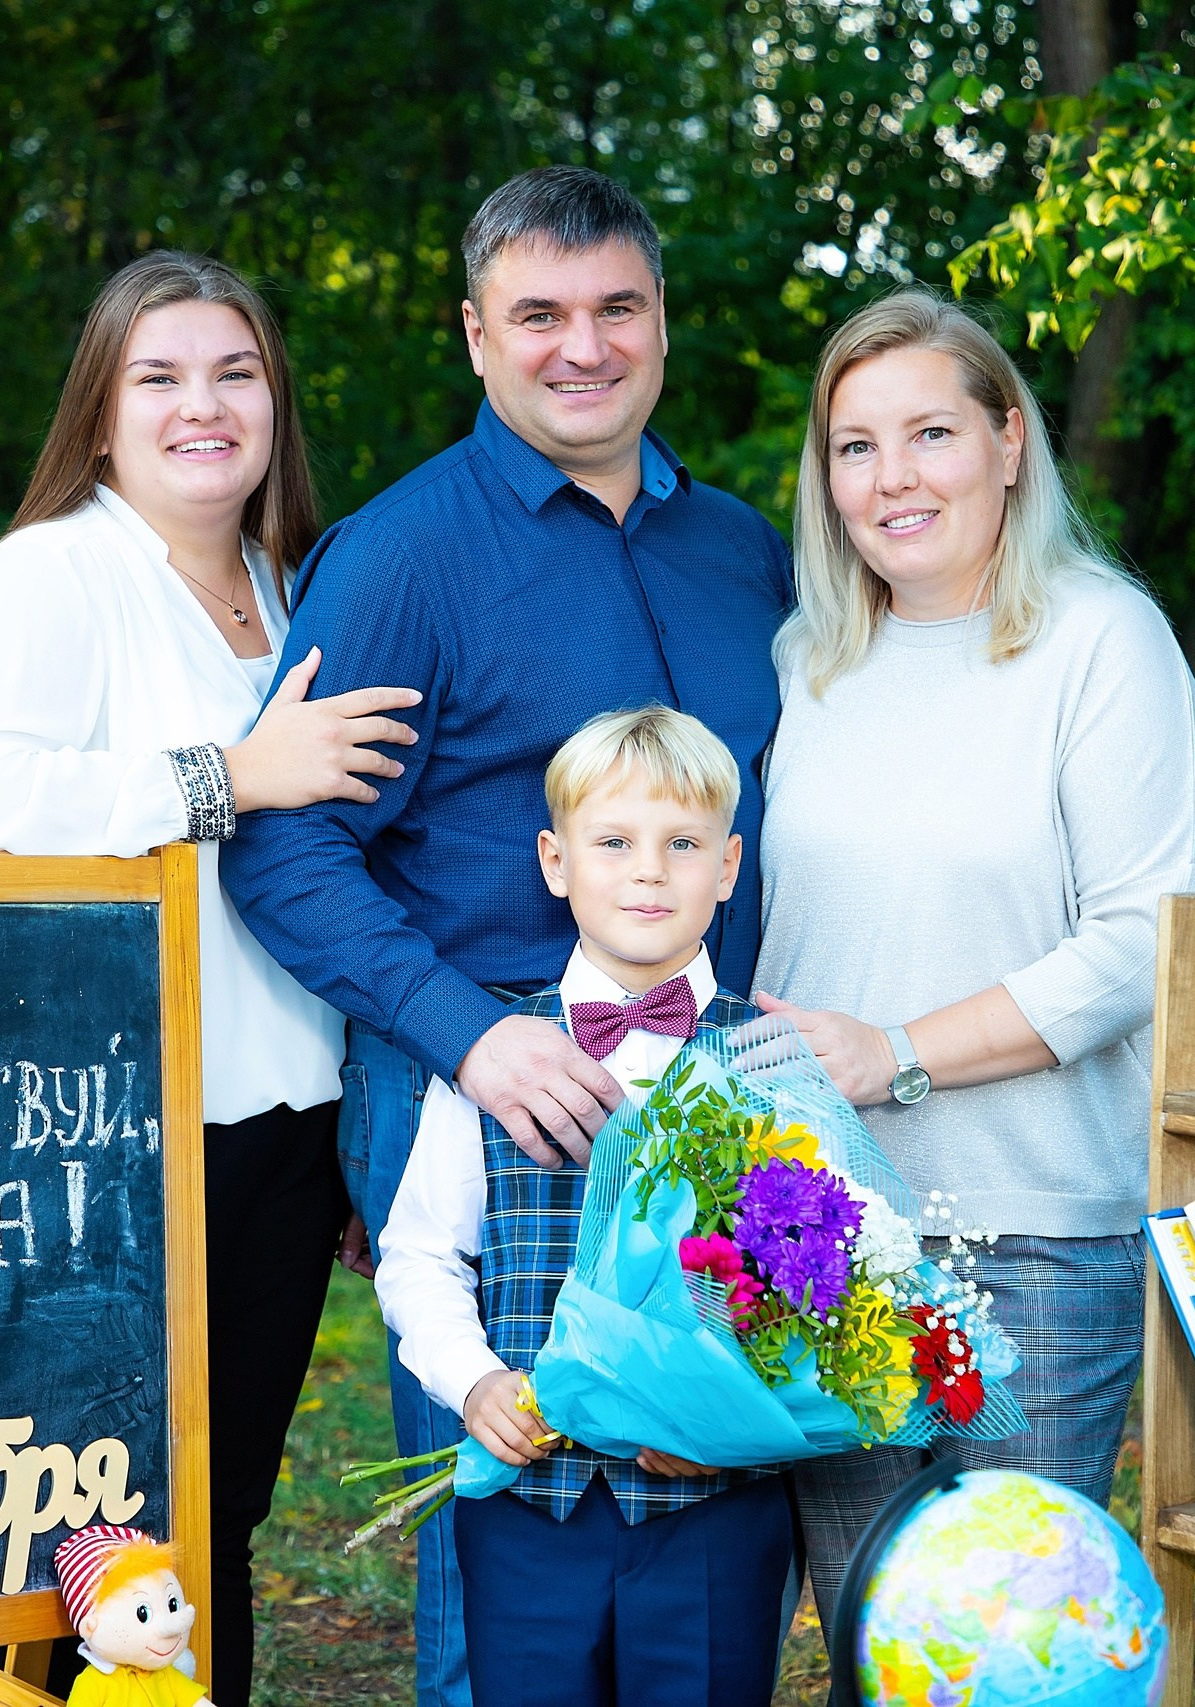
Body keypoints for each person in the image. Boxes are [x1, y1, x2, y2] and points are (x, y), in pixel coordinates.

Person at [219, 167, 791, 1706]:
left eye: (616, 308)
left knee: (712, 1517)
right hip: (487, 1095)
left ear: (663, 322)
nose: (581, 346)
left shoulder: (743, 551)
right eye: (539, 314)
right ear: (478, 336)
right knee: (515, 1563)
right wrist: (468, 1033)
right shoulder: (404, 555)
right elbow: (282, 843)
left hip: (710, 1087)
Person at [0, 251, 422, 1707]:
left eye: (236, 372)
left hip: (277, 1125)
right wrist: (227, 776)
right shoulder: (50, 573)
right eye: (162, 376)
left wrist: (349, 1131)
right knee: (95, 1534)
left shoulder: (294, 582)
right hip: (108, 1131)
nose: (203, 405)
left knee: (219, 1516)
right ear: (100, 412)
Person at [748, 287, 1195, 1626]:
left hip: (1033, 1233)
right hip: (826, 1235)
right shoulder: (807, 661)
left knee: (1019, 1637)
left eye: (931, 432)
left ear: (1010, 441)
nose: (892, 476)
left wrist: (895, 1052)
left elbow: (1150, 944)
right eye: (855, 445)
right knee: (867, 1626)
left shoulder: (1101, 642)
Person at [374, 706, 793, 1707]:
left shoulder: (776, 1060)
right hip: (527, 1506)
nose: (648, 872)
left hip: (711, 1507)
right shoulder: (493, 1052)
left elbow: (818, 1285)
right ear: (556, 862)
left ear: (728, 867)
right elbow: (420, 1257)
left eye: (682, 845)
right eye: (614, 843)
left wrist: (734, 1418)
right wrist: (473, 1383)